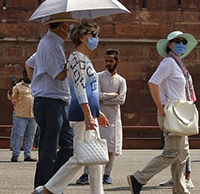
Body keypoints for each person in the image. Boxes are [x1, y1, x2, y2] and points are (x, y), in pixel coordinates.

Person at [33, 21, 109, 194]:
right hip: (80, 113)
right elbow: (79, 88)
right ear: (82, 38)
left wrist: (97, 112)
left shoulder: (85, 59)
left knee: (96, 158)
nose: (97, 38)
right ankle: (47, 189)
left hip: (88, 112)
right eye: (93, 35)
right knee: (79, 156)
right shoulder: (76, 58)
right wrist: (89, 114)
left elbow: (90, 91)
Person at [128, 31, 198, 194]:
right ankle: (138, 178)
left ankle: (180, 189)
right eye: (178, 41)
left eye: (184, 42)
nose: (182, 44)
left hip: (181, 113)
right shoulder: (169, 63)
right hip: (172, 112)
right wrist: (161, 108)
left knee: (182, 154)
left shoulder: (178, 65)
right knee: (173, 153)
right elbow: (153, 83)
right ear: (170, 45)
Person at [28, 13, 79, 189]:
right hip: (50, 102)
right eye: (69, 24)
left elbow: (30, 64)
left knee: (69, 148)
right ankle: (43, 188)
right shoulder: (50, 44)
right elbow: (59, 74)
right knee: (48, 151)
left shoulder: (53, 43)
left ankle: (50, 186)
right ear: (62, 25)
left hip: (54, 102)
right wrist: (74, 61)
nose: (71, 28)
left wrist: (37, 85)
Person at [78, 48, 127, 185]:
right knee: (93, 144)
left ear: (117, 62)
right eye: (106, 61)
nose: (108, 63)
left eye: (111, 61)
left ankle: (107, 174)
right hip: (98, 114)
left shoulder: (121, 80)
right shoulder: (98, 76)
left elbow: (121, 100)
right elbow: (95, 96)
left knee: (112, 148)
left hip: (114, 117)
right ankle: (86, 174)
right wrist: (112, 95)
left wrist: (105, 98)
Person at [9, 70, 37, 162]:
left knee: (30, 136)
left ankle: (27, 154)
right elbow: (12, 97)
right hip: (21, 115)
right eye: (25, 74)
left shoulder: (36, 86)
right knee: (19, 135)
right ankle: (15, 154)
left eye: (28, 74)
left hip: (33, 115)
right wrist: (11, 87)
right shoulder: (18, 87)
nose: (27, 76)